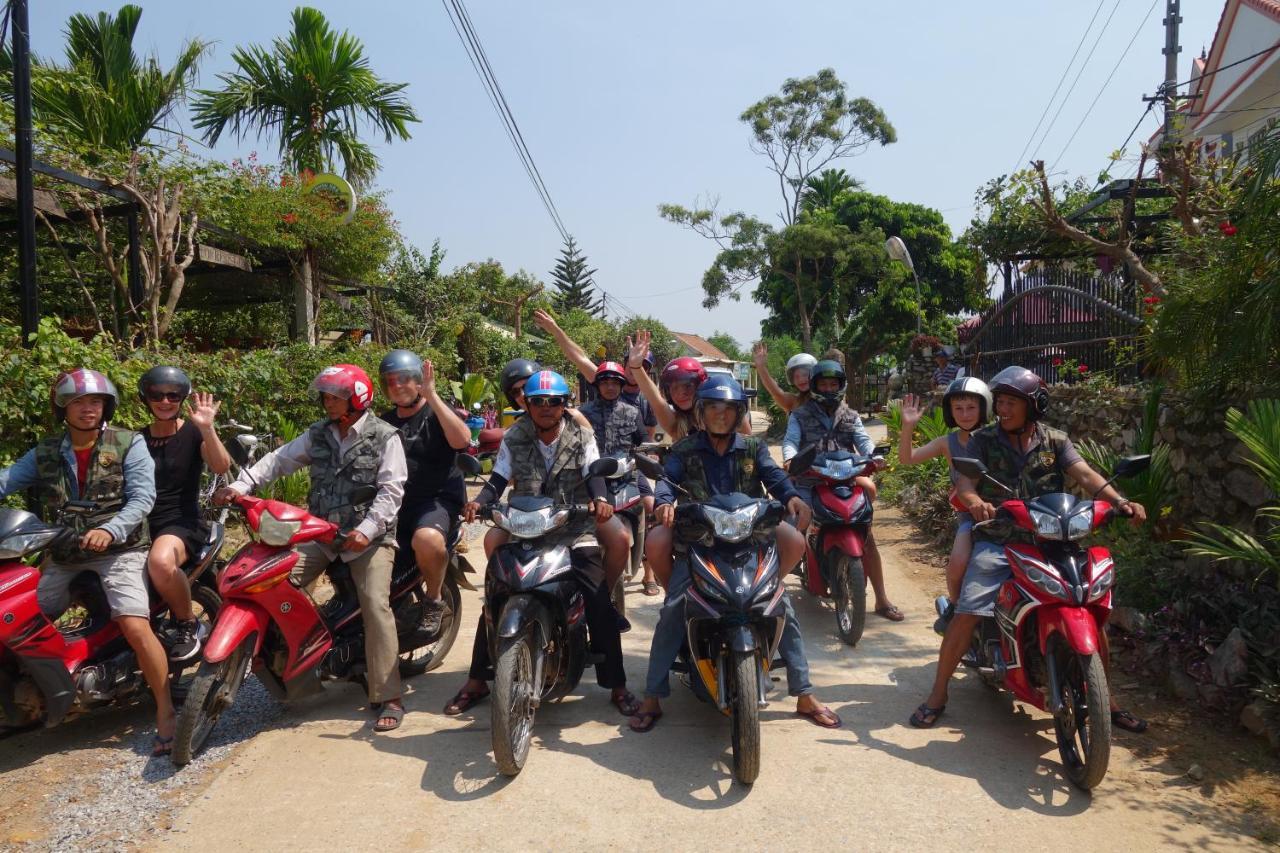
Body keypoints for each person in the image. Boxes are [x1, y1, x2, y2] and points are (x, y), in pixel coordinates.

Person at [909, 366, 1148, 733]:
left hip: (1055, 538)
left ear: (1033, 406)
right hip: (1001, 537)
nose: (1002, 409)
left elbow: (1084, 474)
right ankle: (938, 694)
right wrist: (974, 503)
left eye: (1010, 402)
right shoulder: (983, 441)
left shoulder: (1055, 440)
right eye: (1000, 402)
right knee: (970, 609)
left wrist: (1120, 501)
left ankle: (1106, 698)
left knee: (1090, 606)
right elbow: (967, 483)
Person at [629, 374, 840, 733]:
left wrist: (790, 496)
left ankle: (804, 694)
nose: (720, 415)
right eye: (712, 408)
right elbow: (667, 479)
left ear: (738, 412)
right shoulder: (684, 450)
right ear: (700, 412)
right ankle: (652, 696)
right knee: (672, 609)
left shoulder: (753, 449)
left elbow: (775, 476)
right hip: (701, 543)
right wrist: (664, 502)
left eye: (728, 409)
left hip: (751, 542)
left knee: (780, 604)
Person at [213, 364, 409, 733]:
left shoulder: (385, 436)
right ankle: (299, 658)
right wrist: (241, 487)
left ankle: (389, 695)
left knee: (375, 606)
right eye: (326, 396)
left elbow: (391, 491)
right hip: (320, 534)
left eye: (335, 396)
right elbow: (278, 461)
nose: (328, 402)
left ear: (358, 397)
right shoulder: (318, 433)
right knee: (269, 581)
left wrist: (367, 531)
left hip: (368, 540)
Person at [443, 370, 639, 718]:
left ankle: (618, 685)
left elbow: (594, 473)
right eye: (538, 402)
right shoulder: (514, 435)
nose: (546, 408)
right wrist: (479, 501)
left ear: (565, 405)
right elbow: (499, 478)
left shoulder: (581, 434)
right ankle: (477, 680)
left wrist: (600, 500)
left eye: (554, 402)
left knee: (597, 599)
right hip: (526, 526)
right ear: (527, 405)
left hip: (574, 529)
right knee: (497, 594)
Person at [0, 369, 176, 755]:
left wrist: (111, 530)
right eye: (79, 401)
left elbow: (142, 499)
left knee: (133, 623)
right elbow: (7, 480)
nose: (88, 409)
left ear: (106, 406)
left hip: (119, 551)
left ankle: (166, 711)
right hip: (65, 554)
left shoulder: (129, 444)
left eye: (95, 401)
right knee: (20, 619)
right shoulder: (46, 451)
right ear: (63, 407)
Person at [782, 360, 903, 622]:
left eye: (832, 384)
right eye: (823, 384)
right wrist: (790, 459)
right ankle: (771, 592)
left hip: (844, 480)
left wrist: (873, 456)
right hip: (809, 481)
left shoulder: (851, 415)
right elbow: (790, 442)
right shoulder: (799, 415)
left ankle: (881, 599)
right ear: (814, 386)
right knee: (794, 526)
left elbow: (863, 440)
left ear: (840, 385)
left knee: (867, 537)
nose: (828, 388)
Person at [138, 366, 232, 661]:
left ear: (182, 399)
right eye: (157, 395)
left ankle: (187, 623)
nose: (165, 401)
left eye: (173, 395)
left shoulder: (193, 433)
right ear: (146, 397)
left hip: (180, 522)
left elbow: (221, 466)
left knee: (161, 562)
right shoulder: (135, 439)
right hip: (139, 524)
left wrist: (207, 428)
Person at [377, 350, 472, 637]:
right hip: (394, 503)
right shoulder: (384, 421)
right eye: (391, 381)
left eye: (405, 379)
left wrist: (432, 396)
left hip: (435, 501)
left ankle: (434, 600)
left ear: (418, 380)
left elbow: (462, 440)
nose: (398, 386)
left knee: (427, 540)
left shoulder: (437, 413)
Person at [897, 377, 993, 633]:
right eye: (958, 408)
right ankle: (954, 605)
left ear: (984, 408)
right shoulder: (947, 443)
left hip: (1002, 511)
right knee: (957, 563)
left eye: (971, 407)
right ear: (950, 411)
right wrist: (908, 427)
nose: (965, 414)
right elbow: (907, 459)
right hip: (969, 517)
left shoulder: (996, 437)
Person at [580, 360, 658, 597]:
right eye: (606, 382)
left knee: (650, 507)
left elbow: (644, 442)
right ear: (598, 385)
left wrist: (651, 454)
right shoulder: (583, 413)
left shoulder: (633, 412)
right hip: (592, 478)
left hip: (627, 477)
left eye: (615, 383)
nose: (611, 387)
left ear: (622, 385)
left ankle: (649, 573)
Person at [753, 343, 816, 415]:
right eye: (796, 377)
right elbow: (776, 392)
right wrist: (761, 367)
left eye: (805, 375)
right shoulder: (793, 401)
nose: (801, 380)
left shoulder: (826, 399)